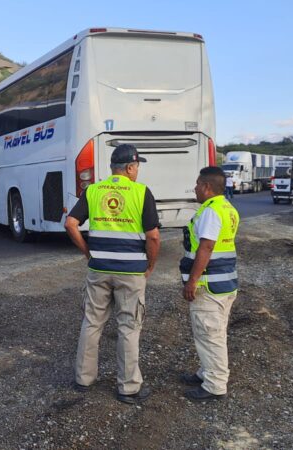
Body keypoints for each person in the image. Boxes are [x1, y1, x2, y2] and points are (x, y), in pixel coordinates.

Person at [64, 144, 161, 405]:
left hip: (99, 269)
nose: (137, 170)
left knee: (92, 322)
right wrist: (150, 265)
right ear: (130, 168)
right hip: (131, 271)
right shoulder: (141, 192)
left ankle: (83, 379)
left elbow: (70, 224)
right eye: (137, 166)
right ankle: (128, 388)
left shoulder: (93, 190)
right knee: (129, 326)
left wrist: (88, 253)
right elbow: (152, 236)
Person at [178, 166, 240, 401]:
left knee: (209, 333)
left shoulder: (211, 211)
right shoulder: (228, 208)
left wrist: (192, 281)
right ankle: (207, 372)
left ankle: (214, 385)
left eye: (197, 184)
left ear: (206, 187)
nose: (194, 188)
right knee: (215, 330)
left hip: (208, 285)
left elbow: (206, 246)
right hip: (224, 283)